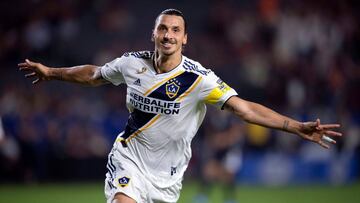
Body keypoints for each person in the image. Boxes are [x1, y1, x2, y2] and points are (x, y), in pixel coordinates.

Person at [18, 8, 342, 203]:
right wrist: (52, 72)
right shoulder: (132, 64)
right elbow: (94, 75)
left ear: (185, 38)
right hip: (129, 158)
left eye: (175, 30)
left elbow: (245, 109)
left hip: (169, 178)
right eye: (163, 28)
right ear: (153, 33)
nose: (168, 35)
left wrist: (295, 126)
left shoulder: (199, 80)